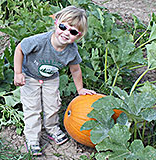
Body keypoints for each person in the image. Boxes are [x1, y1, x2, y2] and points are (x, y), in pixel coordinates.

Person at [14, 5, 96, 156]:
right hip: (30, 76)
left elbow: (76, 69)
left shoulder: (71, 50)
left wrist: (80, 90)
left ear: (79, 36)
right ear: (56, 22)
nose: (66, 33)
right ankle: (32, 138)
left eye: (72, 32)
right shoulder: (40, 41)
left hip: (51, 78)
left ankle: (52, 128)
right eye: (63, 27)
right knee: (32, 108)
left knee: (53, 105)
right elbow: (20, 49)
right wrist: (18, 73)